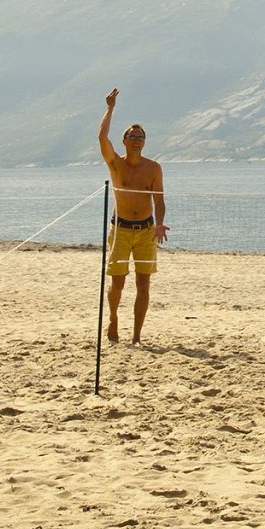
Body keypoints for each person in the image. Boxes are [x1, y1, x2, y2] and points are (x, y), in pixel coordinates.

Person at [98, 87, 167, 345]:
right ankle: (114, 318)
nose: (137, 139)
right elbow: (102, 137)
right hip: (121, 230)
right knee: (117, 284)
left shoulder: (153, 168)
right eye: (132, 136)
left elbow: (159, 200)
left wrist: (159, 224)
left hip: (146, 231)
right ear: (125, 141)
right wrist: (110, 108)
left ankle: (137, 336)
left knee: (143, 284)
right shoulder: (116, 164)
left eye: (141, 136)